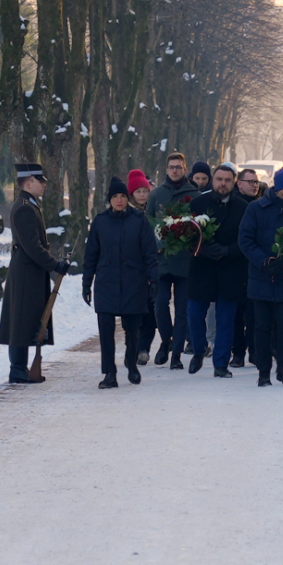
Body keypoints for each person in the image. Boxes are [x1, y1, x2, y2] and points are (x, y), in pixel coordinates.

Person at [82, 177, 160, 389]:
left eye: (123, 196)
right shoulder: (100, 222)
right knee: (106, 332)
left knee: (133, 330)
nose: (119, 200)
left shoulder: (139, 220)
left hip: (134, 282)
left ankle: (131, 362)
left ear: (128, 198)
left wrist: (154, 279)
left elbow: (150, 253)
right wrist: (86, 283)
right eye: (115, 196)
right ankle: (109, 373)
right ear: (109, 199)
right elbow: (91, 255)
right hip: (106, 282)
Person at [0, 162, 72, 383]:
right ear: (28, 183)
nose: (44, 185)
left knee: (24, 320)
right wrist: (55, 265)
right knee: (20, 322)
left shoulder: (29, 205)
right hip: (25, 273)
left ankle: (20, 367)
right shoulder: (24, 208)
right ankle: (17, 368)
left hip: (29, 272)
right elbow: (33, 247)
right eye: (40, 181)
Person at [239, 168, 283, 386]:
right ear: (280, 188)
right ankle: (263, 371)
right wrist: (264, 261)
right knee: (261, 327)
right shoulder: (256, 209)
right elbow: (245, 240)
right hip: (261, 278)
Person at [186, 165, 250, 377]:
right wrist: (202, 249)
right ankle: (198, 350)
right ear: (213, 180)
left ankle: (221, 364)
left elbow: (247, 239)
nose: (223, 184)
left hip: (230, 269)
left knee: (226, 319)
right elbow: (185, 236)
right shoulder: (197, 203)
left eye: (227, 180)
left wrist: (227, 250)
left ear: (234, 183)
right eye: (219, 179)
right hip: (202, 267)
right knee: (194, 313)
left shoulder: (242, 207)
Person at [147, 153, 198, 368]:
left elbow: (200, 228)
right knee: (160, 304)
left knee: (182, 310)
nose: (175, 170)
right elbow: (147, 226)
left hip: (186, 262)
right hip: (161, 262)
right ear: (166, 170)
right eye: (171, 167)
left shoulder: (194, 195)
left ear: (185, 169)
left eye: (178, 167)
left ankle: (176, 353)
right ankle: (165, 341)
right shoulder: (156, 194)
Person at [125, 169, 157, 364]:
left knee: (150, 312)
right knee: (133, 313)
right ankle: (133, 347)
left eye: (145, 191)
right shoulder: (126, 214)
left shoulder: (154, 212)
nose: (143, 195)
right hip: (132, 271)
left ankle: (144, 347)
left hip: (151, 267)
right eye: (138, 191)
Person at [230, 168, 261, 367]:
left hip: (255, 266)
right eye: (250, 182)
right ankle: (238, 352)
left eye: (256, 182)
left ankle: (254, 350)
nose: (254, 185)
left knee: (254, 313)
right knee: (236, 313)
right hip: (235, 265)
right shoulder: (233, 205)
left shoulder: (260, 205)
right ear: (239, 184)